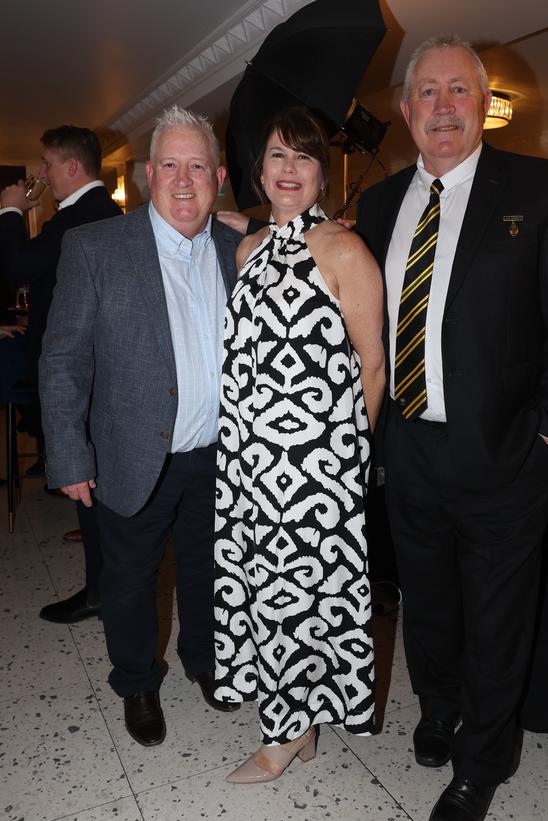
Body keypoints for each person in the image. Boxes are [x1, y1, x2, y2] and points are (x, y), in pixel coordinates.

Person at [355, 35, 548, 821]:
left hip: (507, 456)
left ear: (483, 103)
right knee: (426, 603)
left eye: (461, 90)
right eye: (429, 91)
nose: (444, 106)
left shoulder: (544, 187)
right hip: (411, 450)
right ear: (406, 109)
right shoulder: (382, 204)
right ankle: (440, 708)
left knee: (497, 617)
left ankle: (483, 760)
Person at [40, 106, 242, 747]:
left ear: (219, 177)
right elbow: (63, 356)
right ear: (150, 173)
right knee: (129, 580)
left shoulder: (245, 247)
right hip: (132, 452)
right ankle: (136, 681)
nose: (185, 181)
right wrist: (69, 455)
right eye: (172, 166)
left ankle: (206, 662)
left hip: (221, 455)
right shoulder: (96, 247)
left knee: (211, 569)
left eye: (199, 167)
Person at [214, 106, 384, 783]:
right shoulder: (248, 249)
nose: (288, 169)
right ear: (259, 170)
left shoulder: (345, 249)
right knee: (264, 588)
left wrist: (347, 459)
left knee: (300, 595)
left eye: (303, 158)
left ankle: (284, 736)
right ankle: (302, 724)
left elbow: (373, 365)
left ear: (322, 175)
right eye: (277, 156)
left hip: (317, 466)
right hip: (249, 460)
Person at [0, 125, 123, 624]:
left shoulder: (83, 216)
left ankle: (102, 590)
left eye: (48, 165)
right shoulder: (88, 214)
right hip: (91, 368)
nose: (43, 176)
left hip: (85, 373)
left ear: (72, 167)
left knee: (90, 479)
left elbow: (16, 266)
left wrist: (10, 208)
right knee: (89, 481)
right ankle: (103, 585)